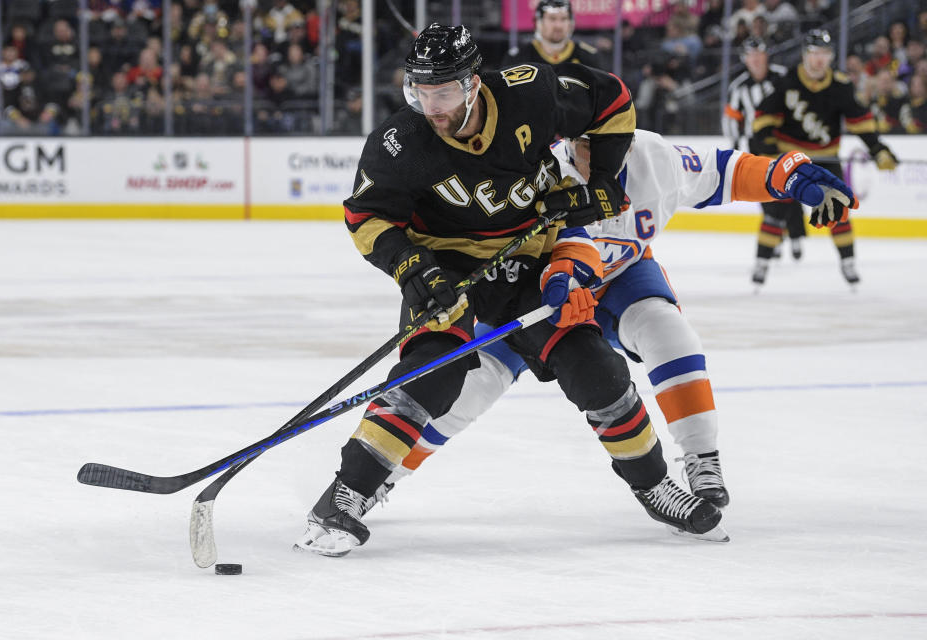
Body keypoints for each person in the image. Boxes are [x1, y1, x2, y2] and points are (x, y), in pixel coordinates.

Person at [295, 24, 724, 558]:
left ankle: (655, 486)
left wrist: (606, 181)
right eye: (420, 93)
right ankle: (344, 496)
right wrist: (414, 271)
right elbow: (365, 217)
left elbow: (611, 98)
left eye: (444, 92)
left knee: (596, 367)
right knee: (433, 372)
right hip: (445, 268)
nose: (432, 107)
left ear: (474, 83)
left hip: (529, 257)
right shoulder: (399, 141)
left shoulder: (530, 93)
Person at [359, 132, 858, 519]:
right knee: (473, 386)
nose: (587, 154)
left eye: (601, 141)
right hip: (534, 290)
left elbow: (728, 170)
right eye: (578, 142)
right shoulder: (536, 170)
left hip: (619, 278)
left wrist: (793, 177)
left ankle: (702, 458)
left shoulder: (654, 158)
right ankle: (384, 474)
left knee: (667, 331)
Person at [751, 29, 898, 288]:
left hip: (826, 159)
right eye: (814, 53)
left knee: (837, 208)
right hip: (791, 159)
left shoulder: (840, 85)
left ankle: (848, 262)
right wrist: (768, 148)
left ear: (830, 56)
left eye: (824, 54)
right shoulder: (788, 82)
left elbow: (860, 121)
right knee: (775, 210)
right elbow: (763, 117)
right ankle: (761, 263)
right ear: (806, 55)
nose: (819, 59)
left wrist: (878, 149)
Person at [723, 39, 806, 267]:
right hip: (757, 145)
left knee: (793, 187)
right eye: (751, 55)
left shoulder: (782, 76)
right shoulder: (739, 87)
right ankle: (777, 236)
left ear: (767, 56)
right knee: (766, 190)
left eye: (760, 54)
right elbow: (731, 119)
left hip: (785, 140)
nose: (756, 59)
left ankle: (796, 235)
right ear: (745, 59)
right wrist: (734, 146)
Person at [501, 0, 605, 69]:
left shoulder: (589, 57)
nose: (558, 26)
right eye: (552, 19)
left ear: (571, 23)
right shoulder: (517, 58)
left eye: (564, 19)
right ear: (538, 22)